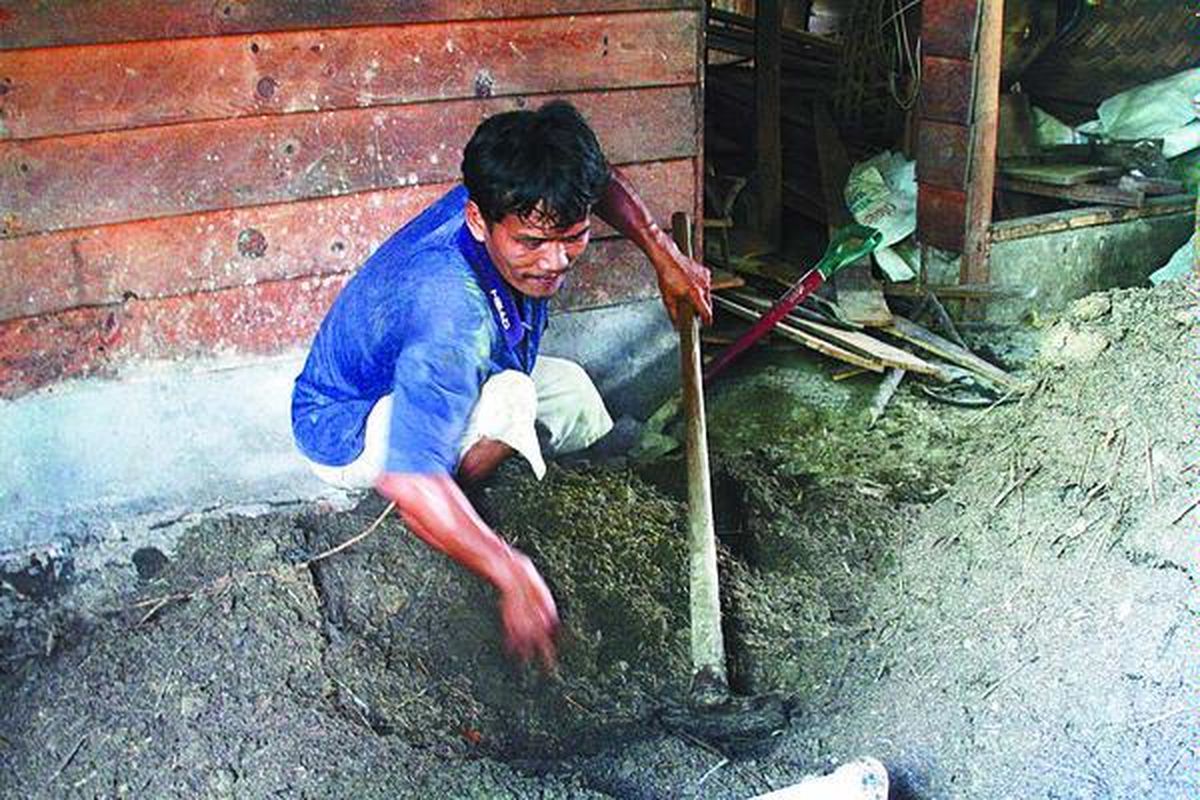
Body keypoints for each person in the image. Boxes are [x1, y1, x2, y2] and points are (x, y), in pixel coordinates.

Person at [291, 100, 711, 669]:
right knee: (512, 399)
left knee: (575, 392)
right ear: (476, 221)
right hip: (349, 425)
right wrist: (513, 573)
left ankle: (517, 485)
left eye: (574, 237)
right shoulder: (451, 311)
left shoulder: (517, 193)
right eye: (532, 244)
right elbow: (408, 475)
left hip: (434, 372)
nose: (556, 262)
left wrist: (664, 252)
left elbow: (599, 183)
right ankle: (448, 513)